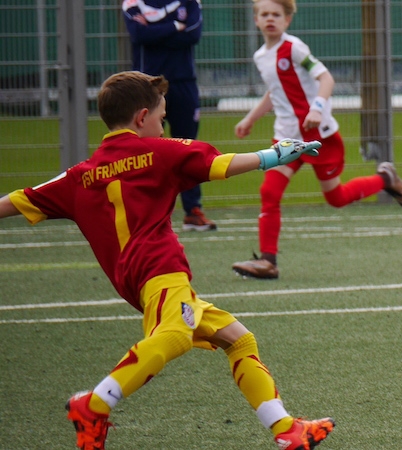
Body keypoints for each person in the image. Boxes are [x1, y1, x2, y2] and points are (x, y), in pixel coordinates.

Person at [0, 71, 334, 450]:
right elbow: (219, 165)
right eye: (161, 117)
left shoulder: (81, 175)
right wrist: (274, 155)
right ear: (142, 118)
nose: (163, 125)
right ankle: (94, 404)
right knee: (173, 336)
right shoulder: (158, 151)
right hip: (160, 270)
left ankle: (285, 429)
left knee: (238, 339)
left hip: (135, 282)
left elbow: (19, 199)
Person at [230, 0, 402, 280]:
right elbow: (274, 92)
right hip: (287, 138)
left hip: (320, 136)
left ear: (287, 20)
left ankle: (385, 179)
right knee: (269, 192)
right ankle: (268, 261)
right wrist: (250, 118)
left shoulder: (295, 48)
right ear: (255, 20)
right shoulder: (260, 56)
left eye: (276, 15)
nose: (270, 19)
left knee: (336, 198)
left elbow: (326, 78)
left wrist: (316, 108)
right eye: (264, 14)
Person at [122, 0, 217, 231]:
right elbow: (139, 35)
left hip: (184, 83)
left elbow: (193, 34)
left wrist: (156, 30)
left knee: (188, 147)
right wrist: (176, 26)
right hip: (148, 86)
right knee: (145, 150)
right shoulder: (133, 3)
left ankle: (192, 211)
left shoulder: (189, 2)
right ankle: (144, 213)